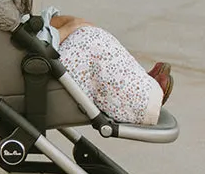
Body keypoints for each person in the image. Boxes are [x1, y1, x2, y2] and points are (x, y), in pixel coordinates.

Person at [37, 7, 173, 126]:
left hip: (37, 41)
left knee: (91, 34)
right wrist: (70, 27)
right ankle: (140, 99)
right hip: (42, 60)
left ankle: (137, 81)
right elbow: (39, 48)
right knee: (94, 45)